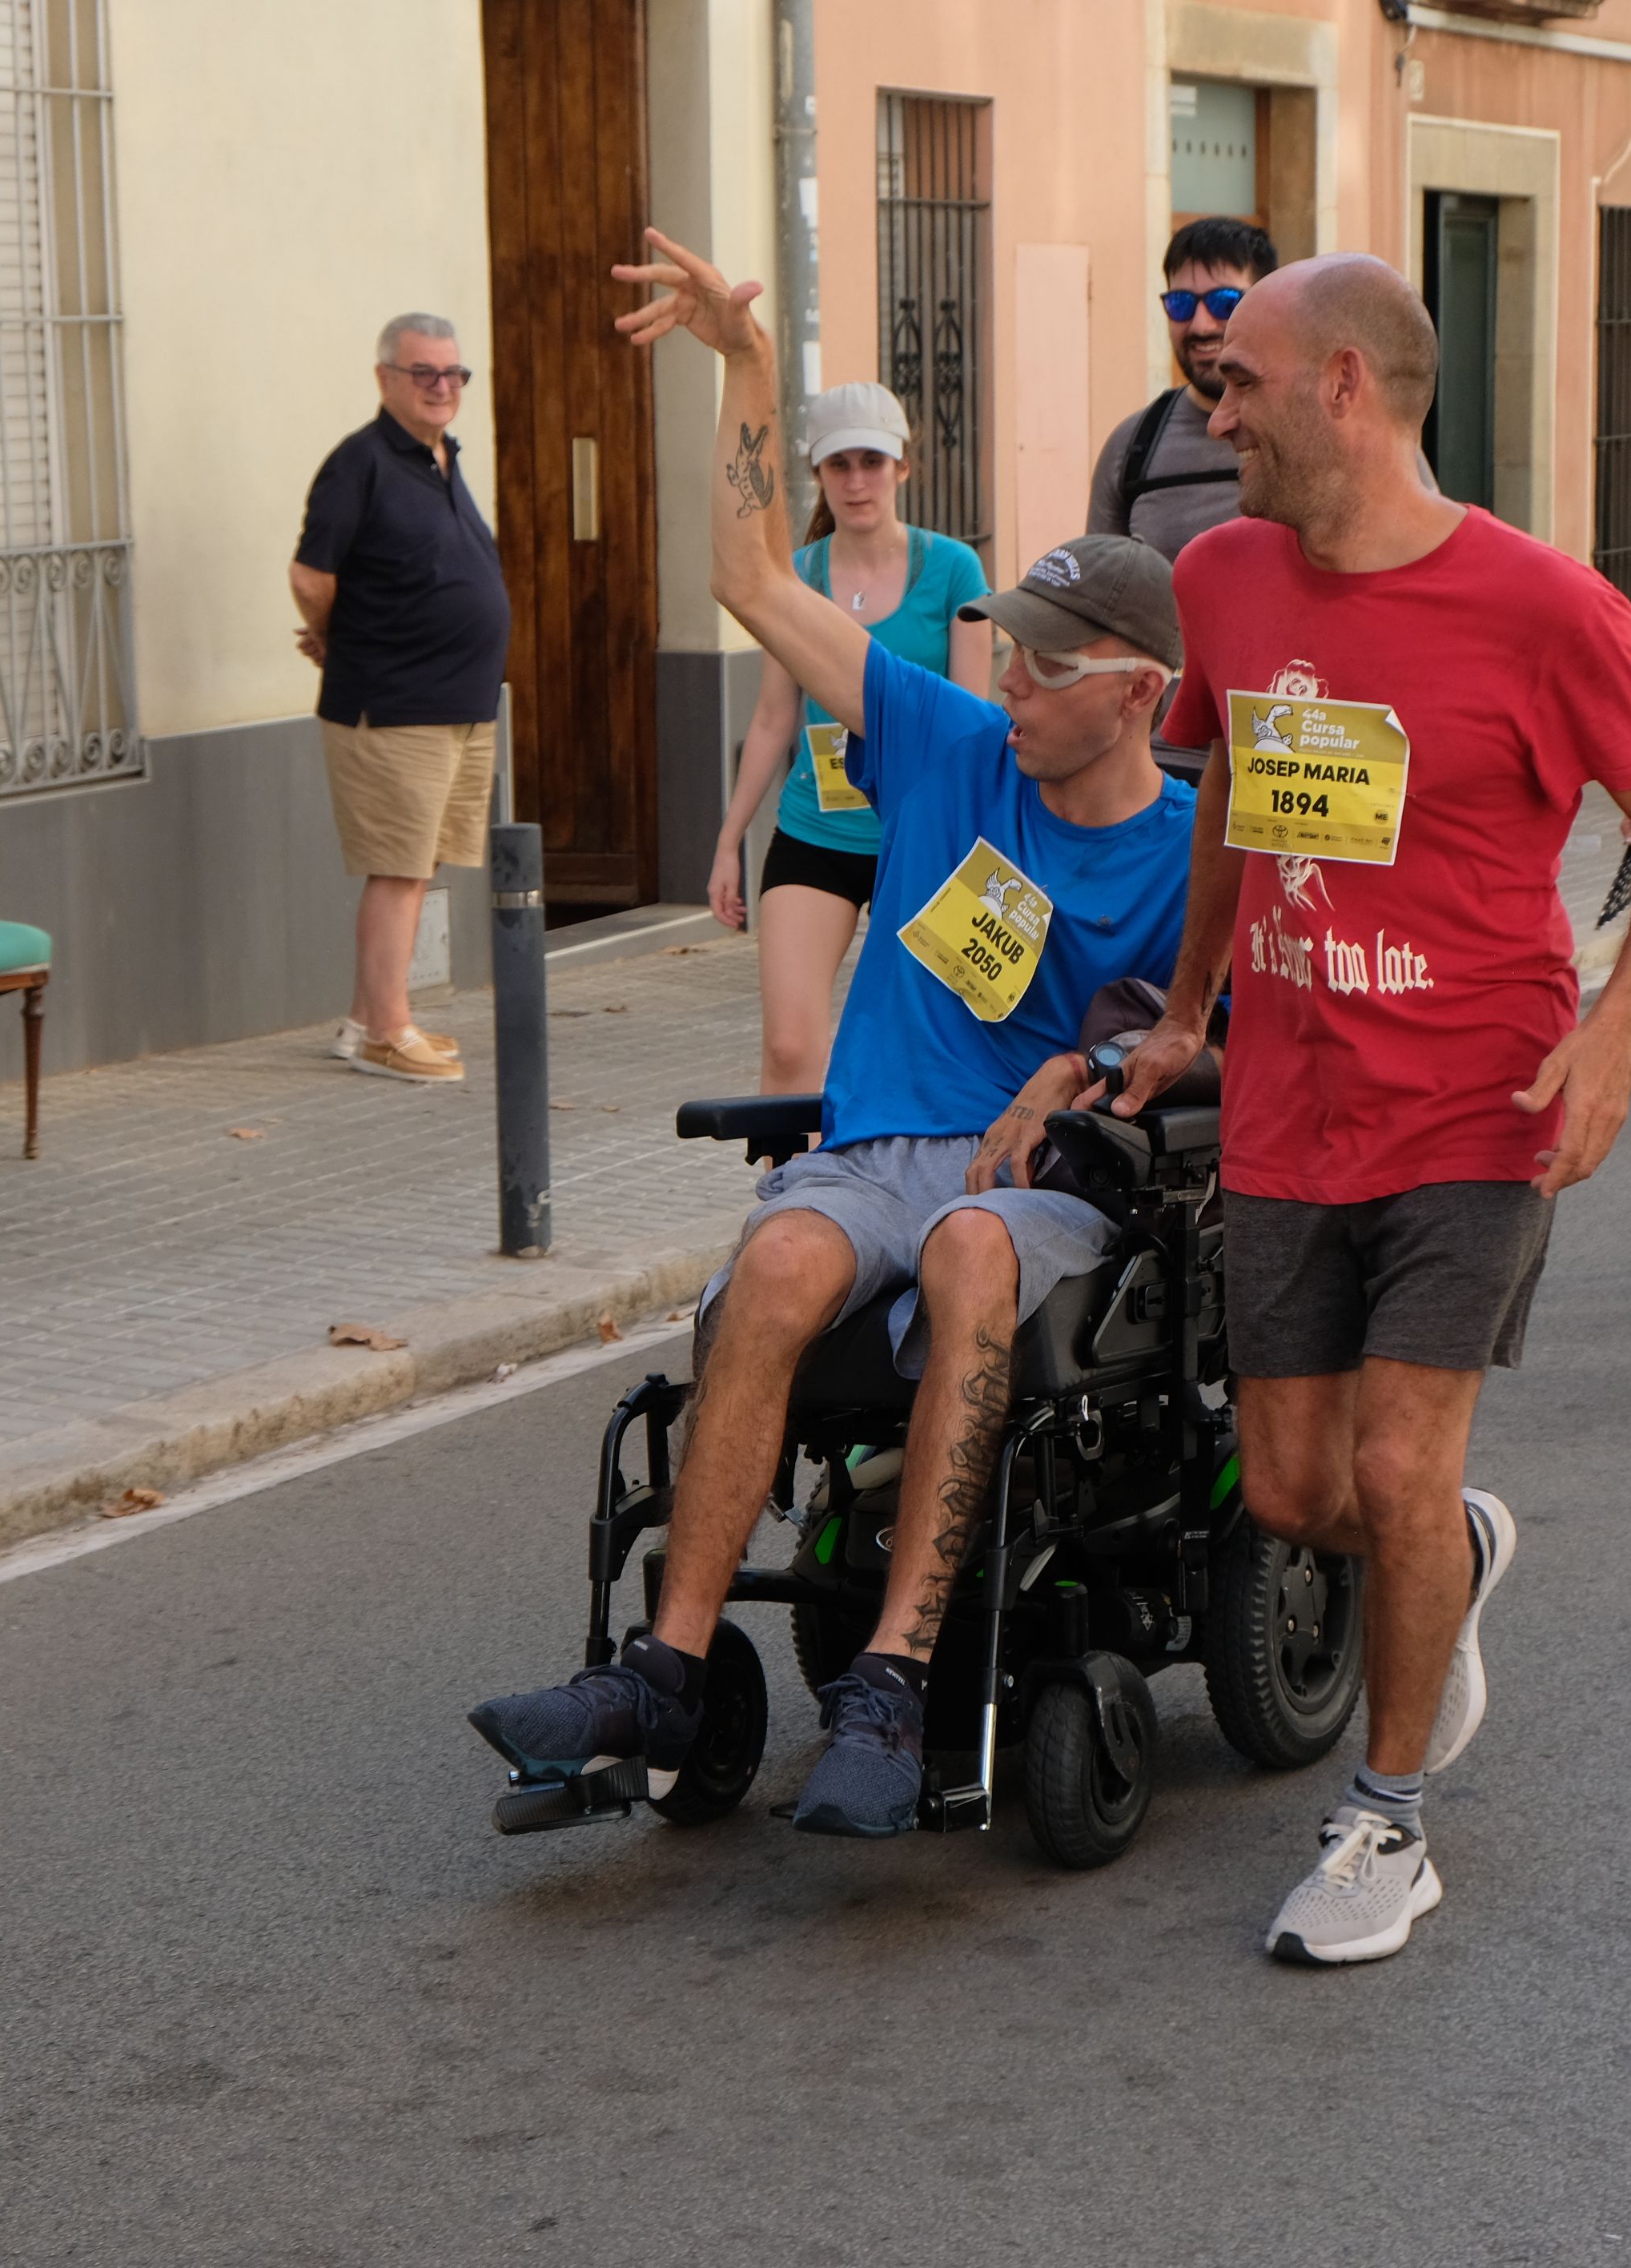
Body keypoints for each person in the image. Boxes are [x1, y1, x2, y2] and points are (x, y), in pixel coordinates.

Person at [468, 233, 1200, 1842]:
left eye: (1048, 663)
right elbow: (750, 582)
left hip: (1042, 1176)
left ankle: (886, 1676)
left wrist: (1081, 1073)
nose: (1008, 673)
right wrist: (745, 373)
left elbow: (1207, 1039)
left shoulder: (1187, 848)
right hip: (881, 1147)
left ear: (1139, 692)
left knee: (965, 1261)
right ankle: (664, 1671)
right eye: (1007, 644)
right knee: (783, 1263)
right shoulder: (948, 740)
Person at [1107, 254, 1631, 1964]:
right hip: (1292, 1103)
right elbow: (1230, 776)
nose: (1209, 414)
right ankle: (1442, 1552)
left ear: (1347, 388)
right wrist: (1181, 1010)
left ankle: (1383, 1825)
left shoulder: (1542, 607)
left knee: (1389, 1450)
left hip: (1474, 1094)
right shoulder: (1220, 577)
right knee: (1295, 1492)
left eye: (1238, 385)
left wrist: (1611, 1037)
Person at [705, 383, 993, 1091]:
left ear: (903, 468)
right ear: (818, 474)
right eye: (840, 465)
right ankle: (787, 1195)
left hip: (923, 837)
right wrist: (728, 841)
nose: (857, 481)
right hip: (818, 832)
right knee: (790, 1047)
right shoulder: (795, 576)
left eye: (873, 461)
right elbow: (775, 716)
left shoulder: (956, 570)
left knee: (932, 1051)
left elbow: (971, 721)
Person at [290, 313, 512, 1086]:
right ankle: (389, 1031)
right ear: (386, 378)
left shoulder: (442, 457)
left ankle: (365, 1021)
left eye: (454, 374)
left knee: (418, 867)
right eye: (425, 374)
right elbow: (312, 576)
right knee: (399, 868)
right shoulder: (360, 464)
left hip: (458, 701)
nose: (443, 388)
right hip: (392, 704)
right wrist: (334, 637)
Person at [1088, 216, 1279, 563]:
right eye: (1181, 304)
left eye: (1223, 302)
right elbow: (1099, 597)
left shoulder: (1322, 432)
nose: (1200, 325)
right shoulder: (1132, 447)